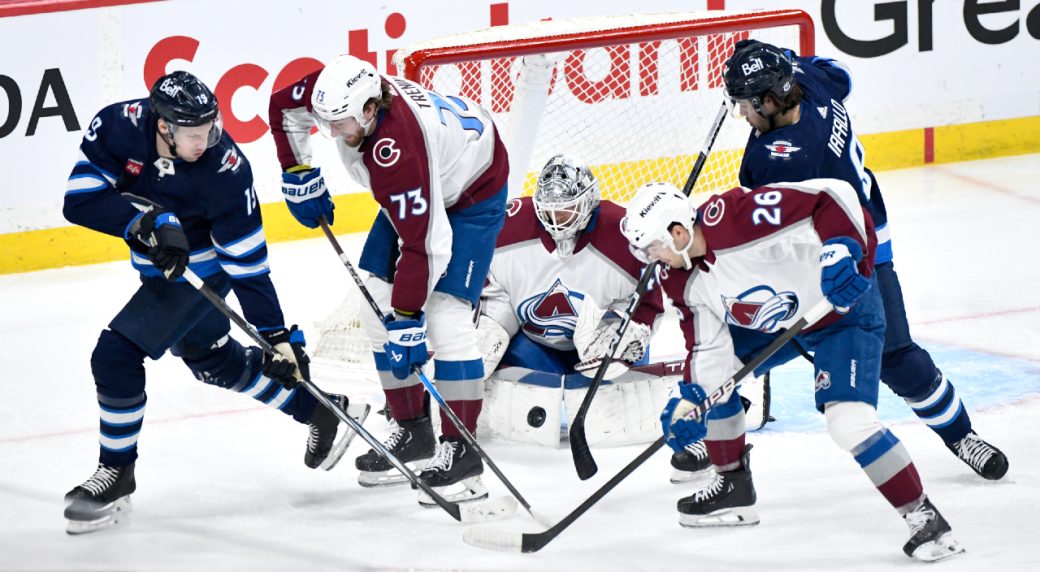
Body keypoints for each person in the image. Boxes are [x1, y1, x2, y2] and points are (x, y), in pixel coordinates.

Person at [61, 72, 368, 534]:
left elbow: (247, 264)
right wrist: (146, 223)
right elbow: (80, 198)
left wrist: (275, 336)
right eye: (193, 133)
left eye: (211, 127)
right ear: (162, 126)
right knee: (209, 358)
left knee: (116, 355)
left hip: (200, 270)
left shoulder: (225, 170)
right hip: (160, 267)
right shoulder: (119, 127)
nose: (206, 140)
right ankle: (319, 409)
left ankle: (116, 472)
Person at [621, 180, 964, 562]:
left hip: (841, 315)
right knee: (712, 383)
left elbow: (832, 196)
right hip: (778, 324)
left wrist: (842, 250)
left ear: (679, 232)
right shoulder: (679, 276)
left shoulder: (737, 219)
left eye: (654, 247)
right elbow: (708, 351)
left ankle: (925, 519)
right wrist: (695, 401)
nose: (653, 258)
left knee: (848, 422)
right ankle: (733, 485)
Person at [720, 40, 1007, 480]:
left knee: (891, 356)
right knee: (730, 347)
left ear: (771, 101)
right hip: (850, 232)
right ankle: (723, 431)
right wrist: (776, 57)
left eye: (746, 105)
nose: (742, 115)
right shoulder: (809, 80)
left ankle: (961, 435)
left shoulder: (778, 157)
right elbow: (841, 76)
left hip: (847, 252)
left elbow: (757, 209)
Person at [268, 55, 508, 504]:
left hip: (473, 192)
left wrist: (408, 318)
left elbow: (427, 245)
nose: (332, 133)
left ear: (369, 109)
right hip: (425, 182)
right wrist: (297, 170)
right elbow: (282, 108)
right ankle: (414, 431)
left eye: (339, 123)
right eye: (327, 122)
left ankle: (463, 453)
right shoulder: (338, 95)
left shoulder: (398, 150)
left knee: (445, 317)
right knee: (374, 305)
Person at [474, 154, 668, 447]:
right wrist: (492, 326)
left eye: (567, 210)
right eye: (549, 212)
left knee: (618, 379)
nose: (556, 221)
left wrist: (618, 329)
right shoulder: (508, 226)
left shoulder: (624, 235)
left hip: (598, 350)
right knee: (488, 354)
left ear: (590, 200)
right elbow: (496, 291)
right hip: (537, 345)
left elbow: (648, 304)